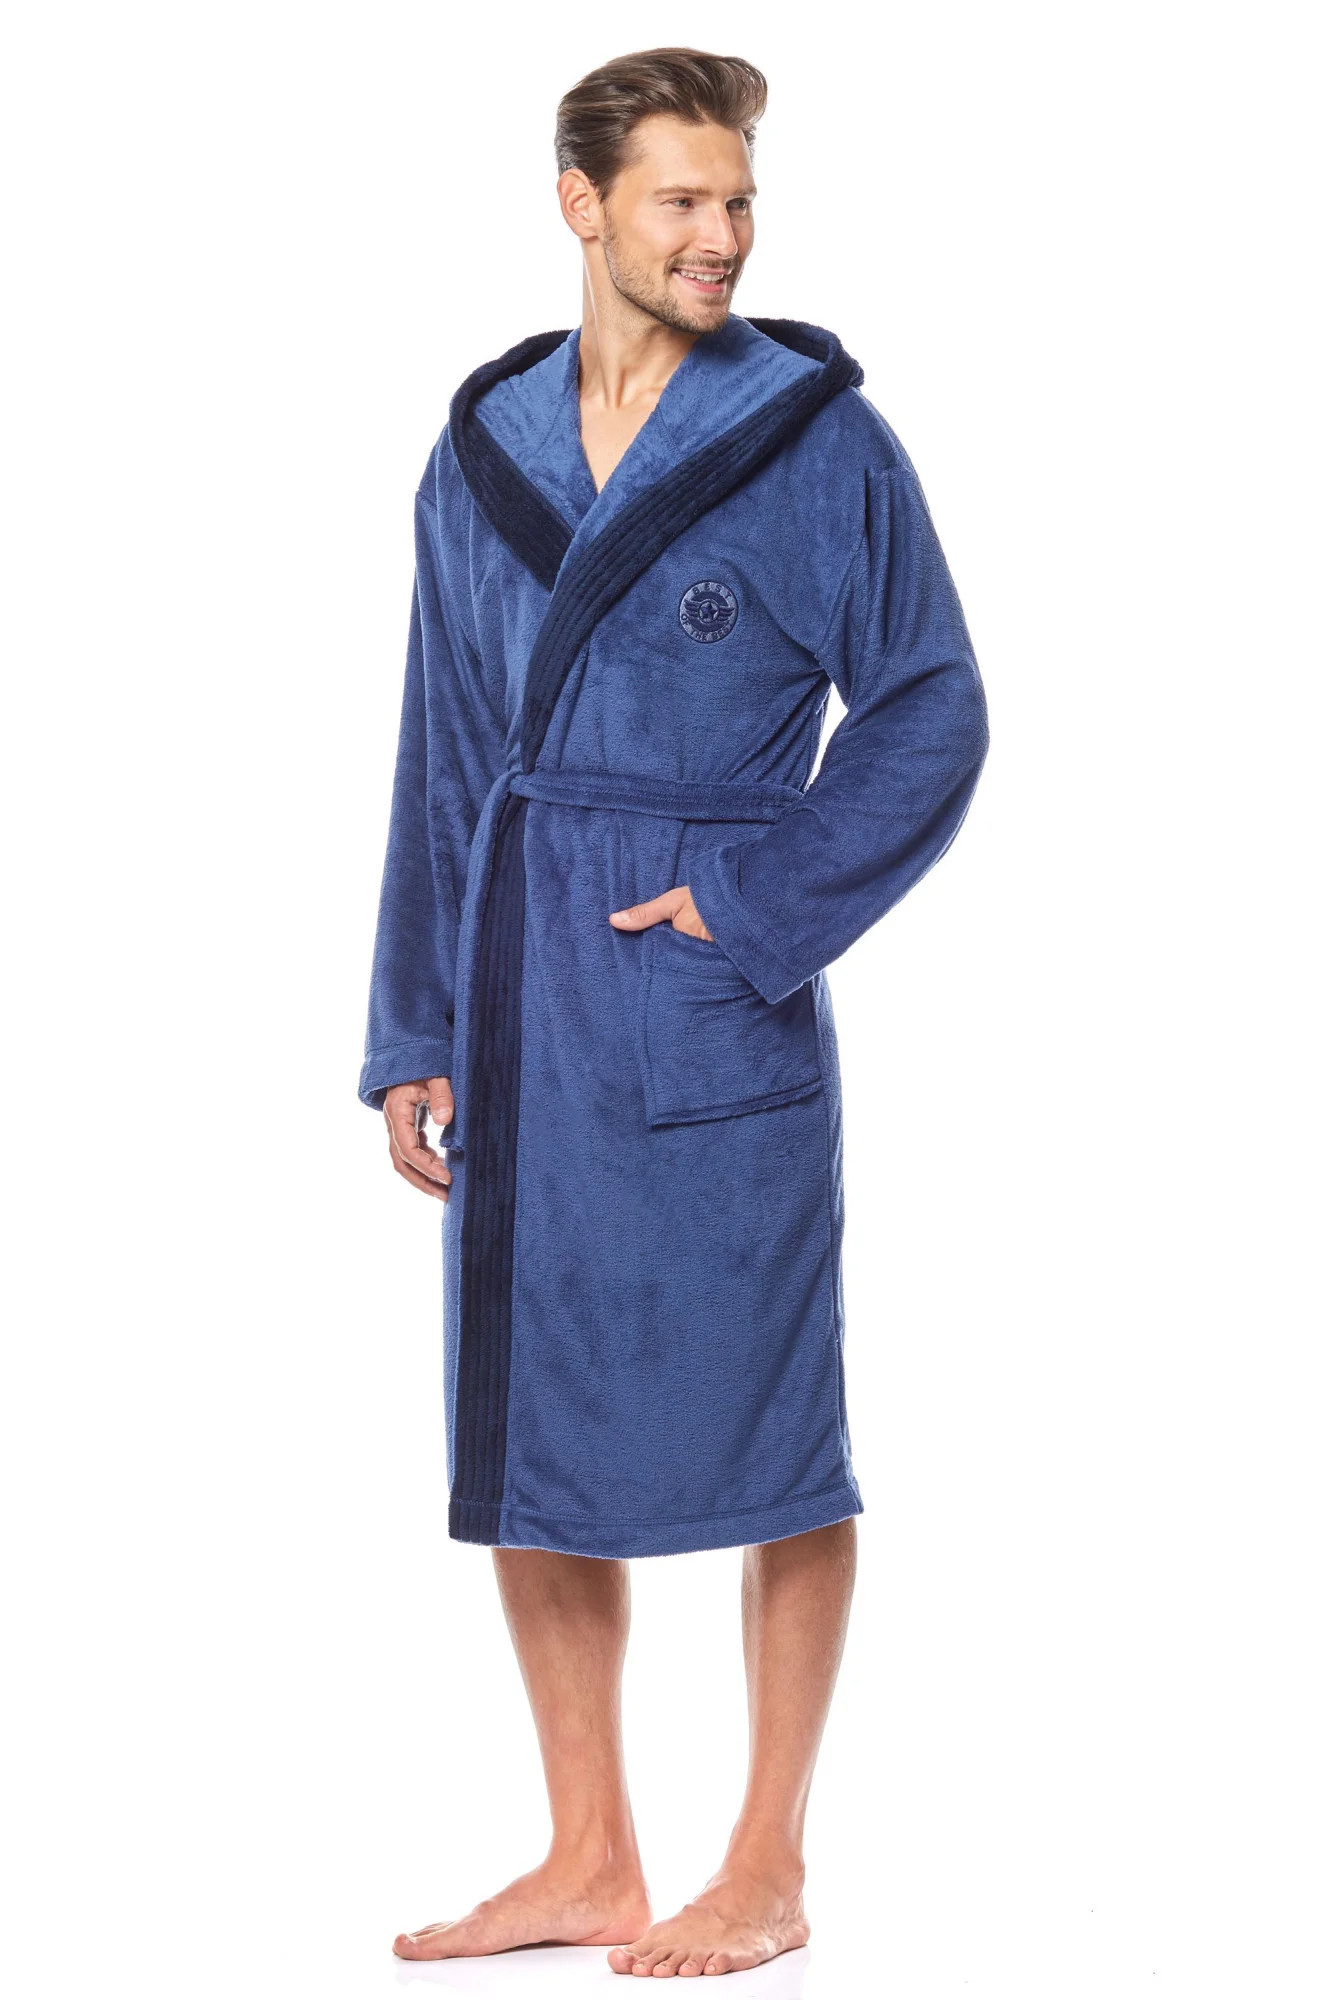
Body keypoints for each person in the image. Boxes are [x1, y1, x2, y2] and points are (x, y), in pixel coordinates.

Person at [359, 46, 988, 1978]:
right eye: (681, 202)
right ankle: (586, 1855)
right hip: (519, 991)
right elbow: (447, 740)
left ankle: (766, 1862)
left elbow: (930, 708)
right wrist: (413, 1024)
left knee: (774, 1424)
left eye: (739, 203)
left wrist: (749, 902)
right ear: (582, 205)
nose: (721, 237)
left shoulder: (814, 442)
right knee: (527, 1428)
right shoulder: (485, 443)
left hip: (710, 995)